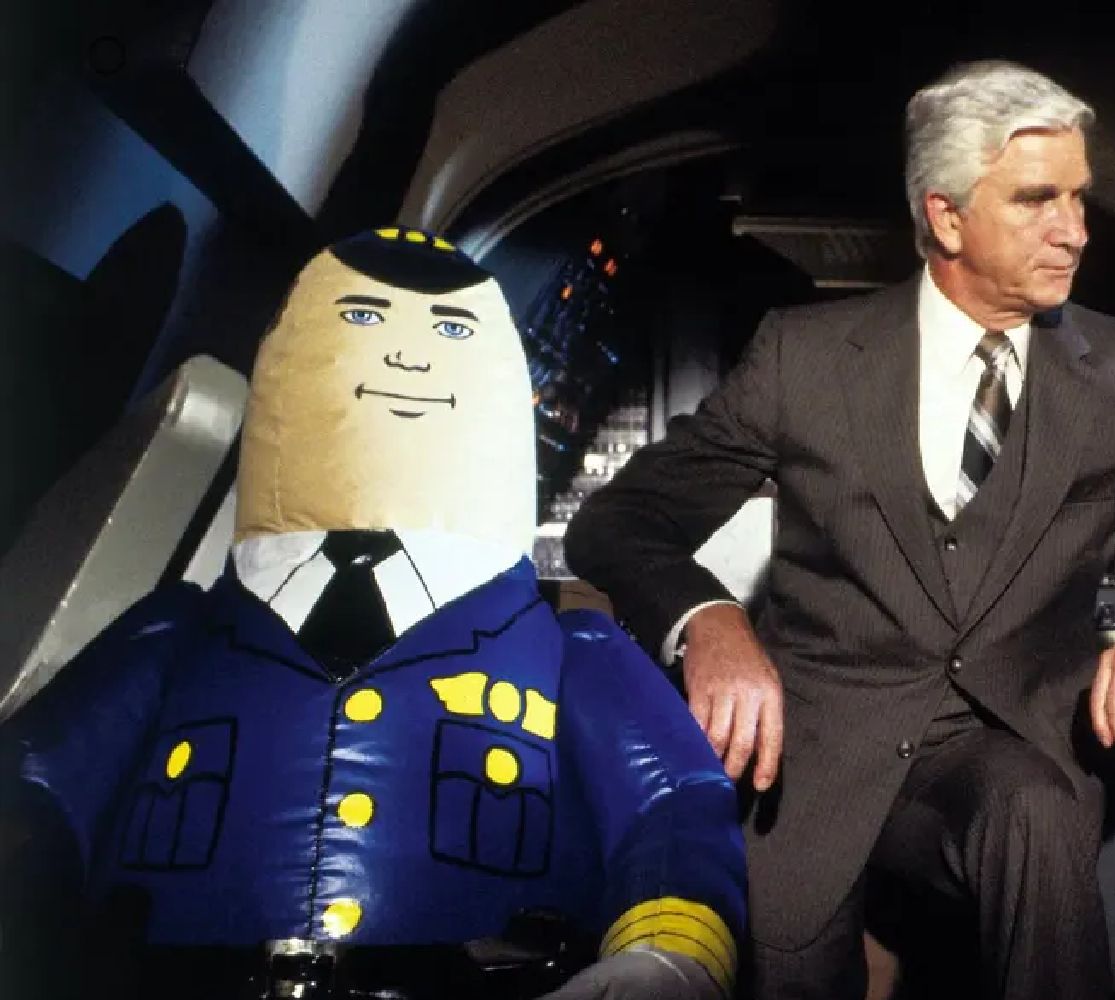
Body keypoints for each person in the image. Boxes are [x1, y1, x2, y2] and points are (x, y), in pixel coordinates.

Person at [565, 60, 1115, 1000]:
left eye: (1078, 197)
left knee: (1033, 810)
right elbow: (622, 521)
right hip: (811, 758)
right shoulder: (804, 361)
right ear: (945, 217)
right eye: (1037, 201)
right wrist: (710, 621)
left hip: (1011, 755)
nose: (1075, 230)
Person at [0, 228, 746, 1000]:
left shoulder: (571, 652)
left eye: (451, 332)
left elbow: (672, 804)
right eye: (360, 319)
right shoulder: (175, 634)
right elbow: (33, 783)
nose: (409, 358)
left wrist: (663, 959)